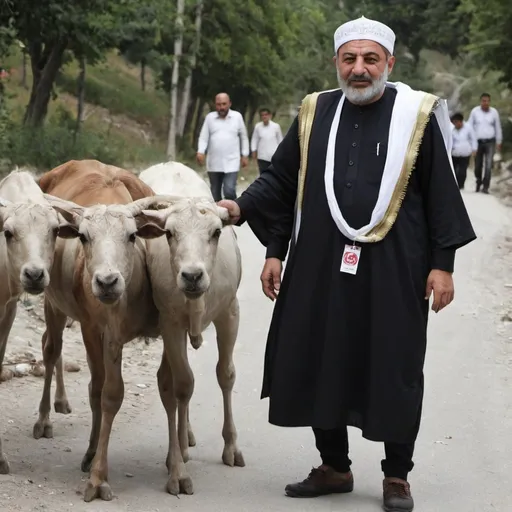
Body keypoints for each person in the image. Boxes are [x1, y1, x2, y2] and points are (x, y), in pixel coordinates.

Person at [218, 15, 476, 512]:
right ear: (337, 62)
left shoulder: (415, 115)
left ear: (389, 63)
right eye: (350, 59)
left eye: (370, 59)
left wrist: (442, 264)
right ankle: (334, 465)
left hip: (397, 267)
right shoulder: (317, 110)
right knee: (320, 353)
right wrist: (245, 214)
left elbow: (441, 195)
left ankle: (397, 475)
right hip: (319, 262)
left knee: (393, 362)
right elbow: (284, 181)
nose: (359, 69)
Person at [197, 92, 249, 201]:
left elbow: (244, 137)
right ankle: (219, 216)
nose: (222, 107)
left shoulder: (237, 117)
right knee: (215, 193)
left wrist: (245, 154)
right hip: (214, 162)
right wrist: (200, 151)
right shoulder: (210, 118)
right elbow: (203, 137)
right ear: (215, 105)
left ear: (230, 103)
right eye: (219, 104)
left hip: (232, 162)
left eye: (224, 104)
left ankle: (233, 213)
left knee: (229, 190)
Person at [467, 93, 503, 193]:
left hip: (490, 142)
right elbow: (469, 126)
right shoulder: (475, 111)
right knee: (478, 165)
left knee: (488, 164)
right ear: (480, 101)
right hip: (477, 142)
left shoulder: (494, 112)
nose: (485, 103)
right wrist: (469, 141)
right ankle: (478, 181)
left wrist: (499, 141)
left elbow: (497, 127)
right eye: (483, 101)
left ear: (489, 102)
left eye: (487, 101)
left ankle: (486, 186)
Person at [251, 108, 283, 174]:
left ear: (270, 115)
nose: (264, 116)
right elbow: (254, 139)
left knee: (273, 175)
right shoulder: (258, 127)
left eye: (266, 115)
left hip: (273, 156)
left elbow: (280, 141)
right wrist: (253, 150)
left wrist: (281, 154)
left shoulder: (276, 127)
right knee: (263, 175)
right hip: (262, 157)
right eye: (262, 115)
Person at [450, 112, 477, 190]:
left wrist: (474, 149)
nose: (455, 124)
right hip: (454, 153)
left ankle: (461, 185)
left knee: (462, 170)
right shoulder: (451, 129)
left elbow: (473, 139)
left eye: (456, 122)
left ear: (460, 121)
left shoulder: (468, 128)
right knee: (454, 170)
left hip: (465, 153)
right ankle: (454, 185)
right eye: (453, 122)